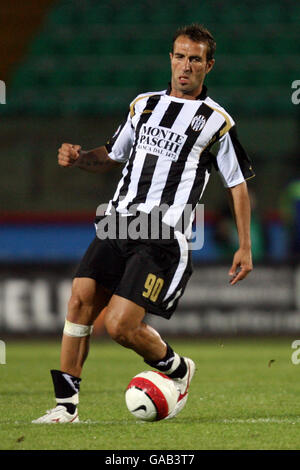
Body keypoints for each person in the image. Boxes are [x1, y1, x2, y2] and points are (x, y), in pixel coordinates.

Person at [33, 23, 254, 424]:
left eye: (195, 59)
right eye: (180, 56)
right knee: (80, 300)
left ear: (209, 66)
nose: (185, 66)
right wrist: (79, 156)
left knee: (119, 326)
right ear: (170, 59)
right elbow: (113, 155)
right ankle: (65, 409)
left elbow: (236, 184)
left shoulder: (216, 121)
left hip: (161, 237)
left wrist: (245, 245)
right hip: (118, 224)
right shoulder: (143, 105)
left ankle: (177, 369)